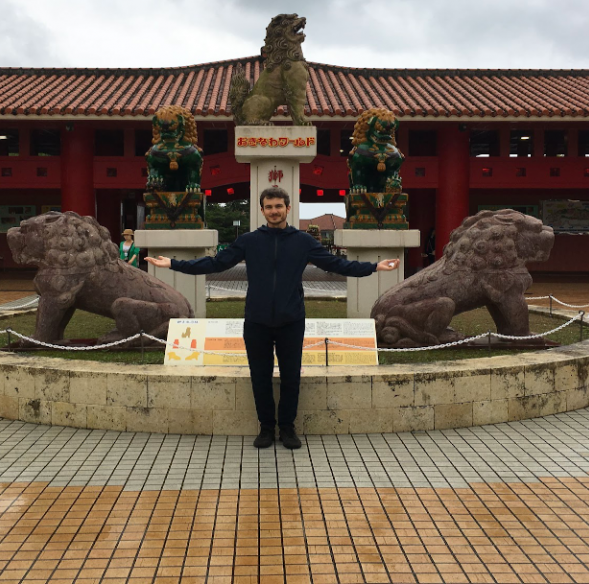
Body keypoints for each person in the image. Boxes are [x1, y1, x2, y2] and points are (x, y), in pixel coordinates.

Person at [146, 186, 399, 450]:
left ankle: (288, 428)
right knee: (260, 376)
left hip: (291, 320)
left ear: (288, 208)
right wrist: (174, 264)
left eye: (279, 206)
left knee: (291, 377)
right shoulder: (249, 241)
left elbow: (338, 265)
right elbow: (215, 263)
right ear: (262, 210)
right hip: (257, 320)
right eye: (269, 207)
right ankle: (266, 428)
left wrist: (374, 267)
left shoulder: (303, 242)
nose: (274, 211)